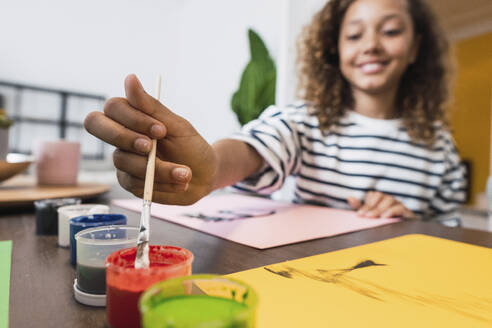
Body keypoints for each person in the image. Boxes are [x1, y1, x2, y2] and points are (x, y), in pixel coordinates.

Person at [84, 0, 466, 222]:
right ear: (335, 50)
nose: (370, 45)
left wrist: (411, 226)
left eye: (391, 31)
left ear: (416, 49)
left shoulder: (439, 146)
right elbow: (254, 146)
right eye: (354, 34)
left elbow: (451, 233)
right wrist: (210, 169)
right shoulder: (305, 121)